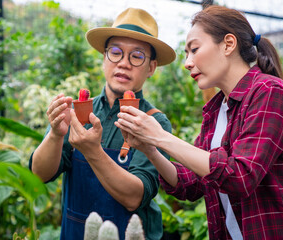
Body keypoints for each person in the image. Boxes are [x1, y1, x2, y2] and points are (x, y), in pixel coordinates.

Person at [115, 5, 283, 240]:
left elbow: (241, 176)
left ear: (228, 44)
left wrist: (161, 136)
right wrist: (151, 148)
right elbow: (191, 183)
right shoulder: (217, 109)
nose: (187, 62)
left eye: (194, 49)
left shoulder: (269, 91)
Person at [29, 8, 176, 240]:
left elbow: (134, 198)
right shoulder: (78, 111)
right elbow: (38, 174)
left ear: (151, 68)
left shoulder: (155, 123)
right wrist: (56, 135)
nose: (124, 63)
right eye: (115, 52)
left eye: (137, 56)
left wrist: (93, 151)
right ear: (104, 58)